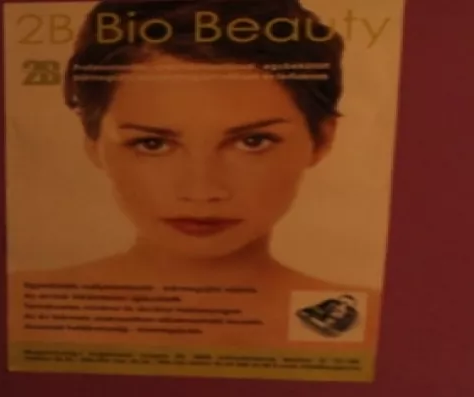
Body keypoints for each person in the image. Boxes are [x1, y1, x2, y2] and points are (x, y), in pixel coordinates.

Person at [19, 0, 371, 295]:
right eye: (153, 143)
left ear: (321, 139)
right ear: (93, 142)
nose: (201, 191)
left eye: (252, 142)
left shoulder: (370, 327)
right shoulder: (20, 307)